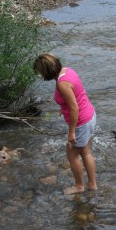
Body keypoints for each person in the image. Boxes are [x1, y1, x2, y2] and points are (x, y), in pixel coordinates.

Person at [34, 53, 97, 195]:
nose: (40, 74)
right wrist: (63, 108)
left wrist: (71, 132)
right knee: (86, 152)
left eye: (40, 72)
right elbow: (76, 95)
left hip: (81, 123)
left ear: (46, 71)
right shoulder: (67, 71)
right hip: (90, 115)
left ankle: (79, 186)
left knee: (72, 155)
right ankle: (92, 184)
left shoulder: (62, 84)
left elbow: (74, 107)